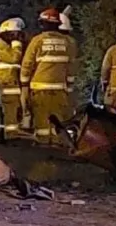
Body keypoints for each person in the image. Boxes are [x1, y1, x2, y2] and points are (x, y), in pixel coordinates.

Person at [20, 8, 77, 144]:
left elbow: (27, 64)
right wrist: (69, 87)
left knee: (41, 119)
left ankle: (43, 143)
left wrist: (24, 85)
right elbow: (71, 67)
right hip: (60, 89)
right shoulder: (68, 42)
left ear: (43, 24)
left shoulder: (37, 41)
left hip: (40, 89)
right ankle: (57, 142)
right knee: (58, 119)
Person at [0, 17, 26, 141]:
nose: (17, 37)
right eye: (14, 34)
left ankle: (4, 134)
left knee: (10, 109)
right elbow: (14, 58)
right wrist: (17, 44)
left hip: (11, 82)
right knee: (10, 109)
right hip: (6, 83)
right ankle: (10, 135)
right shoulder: (1, 48)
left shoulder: (7, 46)